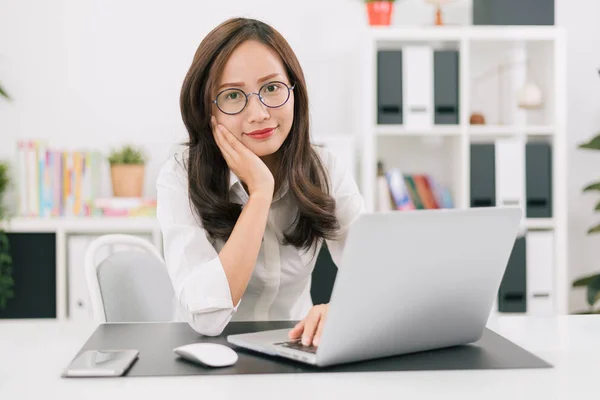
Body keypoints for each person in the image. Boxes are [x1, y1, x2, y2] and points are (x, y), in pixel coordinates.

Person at [156, 17, 364, 348]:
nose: (259, 112)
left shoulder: (324, 168)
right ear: (207, 110)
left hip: (297, 352)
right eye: (233, 96)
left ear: (294, 91)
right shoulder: (179, 177)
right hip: (208, 359)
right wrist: (259, 193)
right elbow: (206, 318)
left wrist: (339, 311)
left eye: (271, 88)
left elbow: (376, 274)